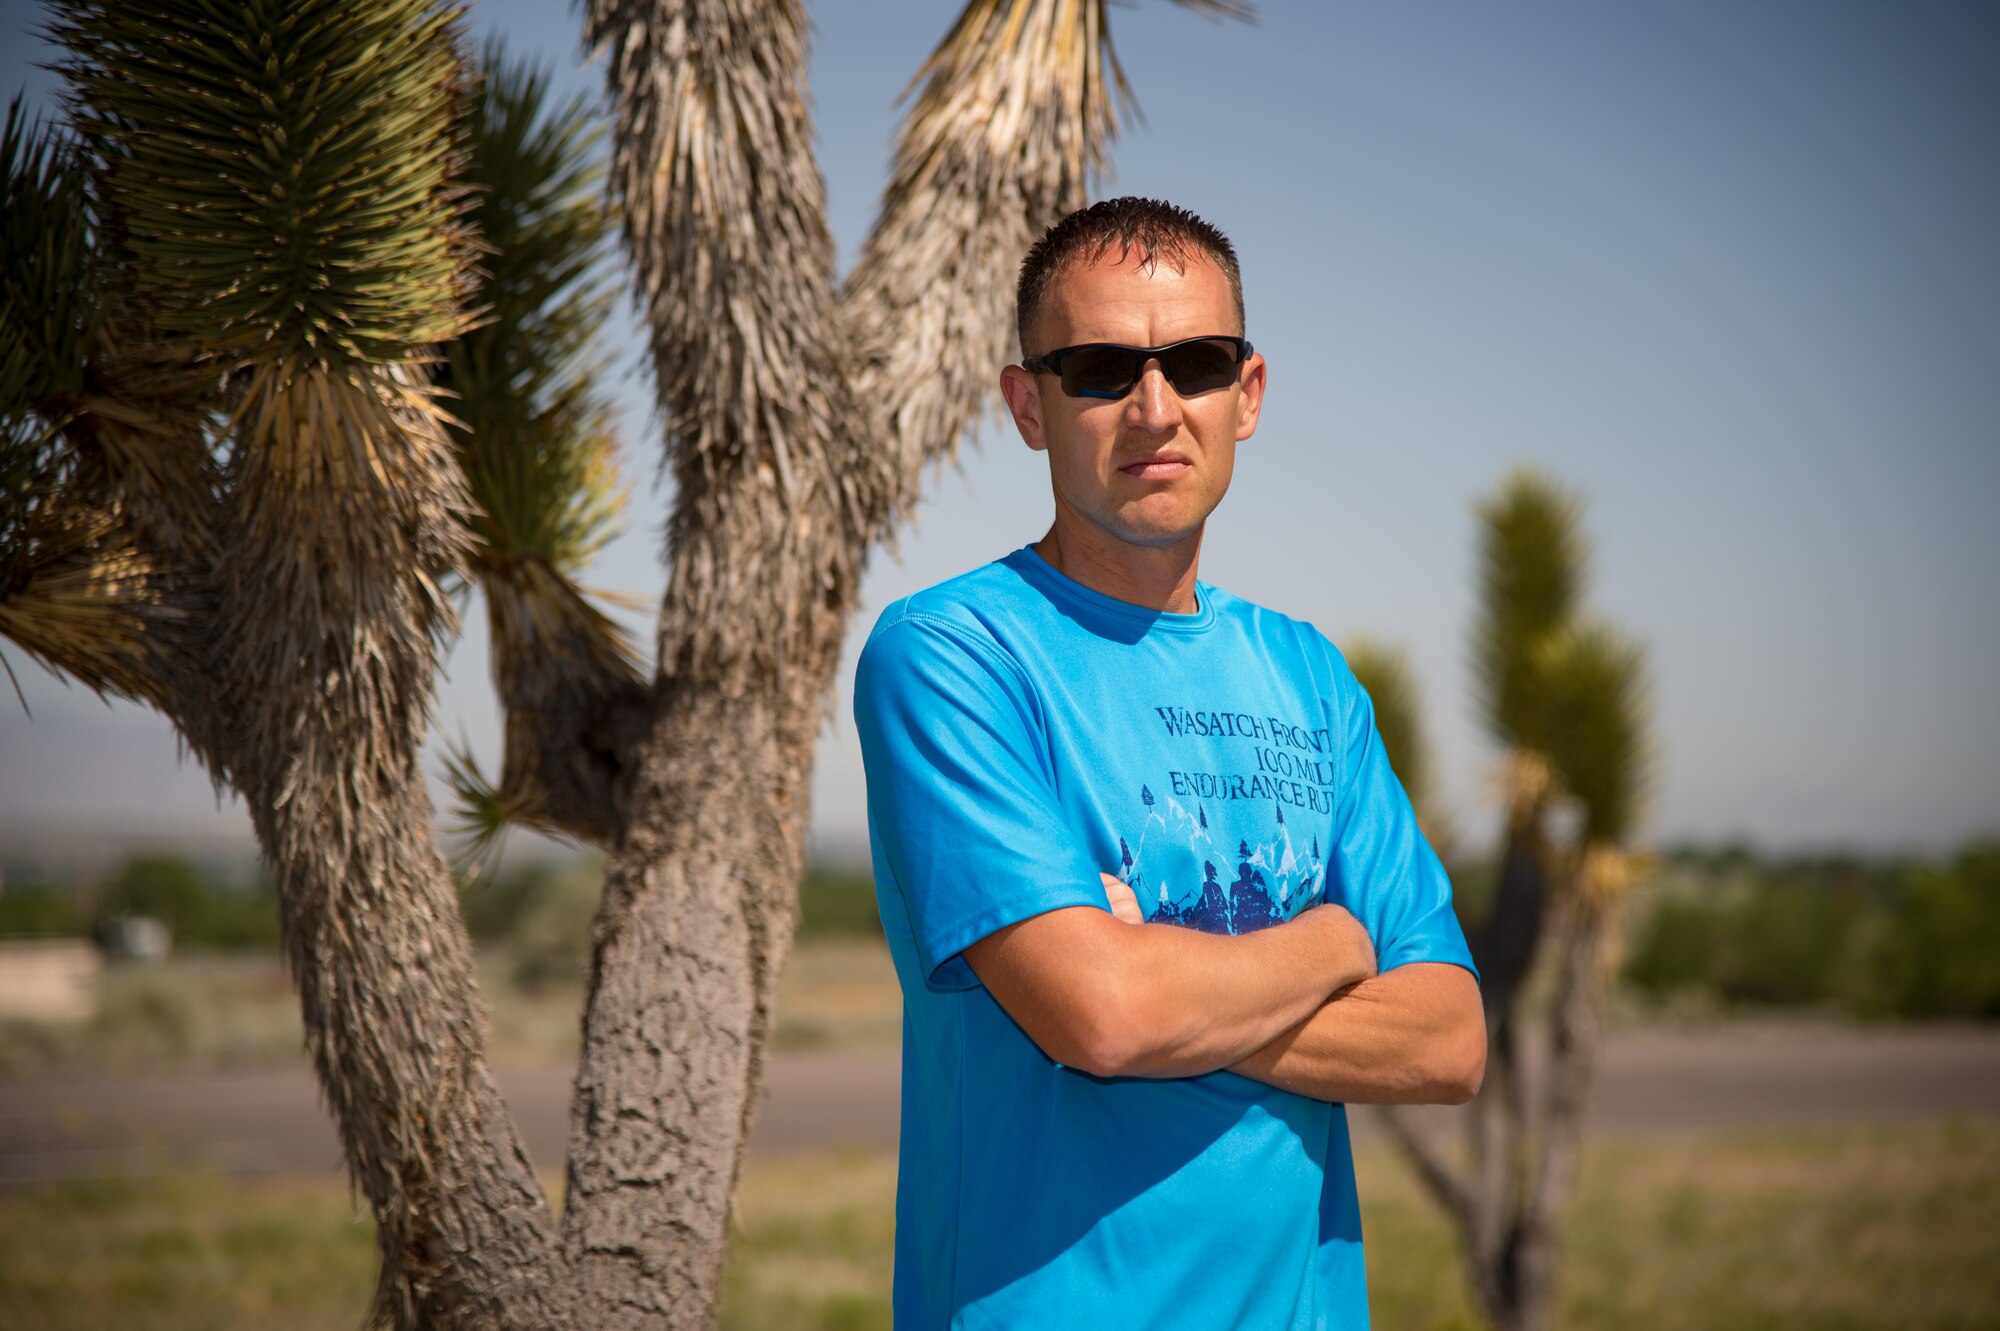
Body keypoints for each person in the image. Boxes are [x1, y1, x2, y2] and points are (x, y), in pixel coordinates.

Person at [852, 196, 1485, 1329]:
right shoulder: (951, 654)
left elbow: (1446, 1036)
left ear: (1245, 396)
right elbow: (1098, 1016)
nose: (1154, 408)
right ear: (1027, 405)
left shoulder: (1310, 676)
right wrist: (1338, 943)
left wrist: (1162, 973)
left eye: (1192, 362)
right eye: (1098, 368)